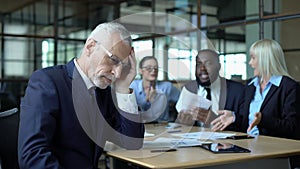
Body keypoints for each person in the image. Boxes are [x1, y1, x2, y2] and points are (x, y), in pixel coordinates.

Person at [18, 22, 145, 169]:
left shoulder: (103, 92)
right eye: (114, 60)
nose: (116, 73)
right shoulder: (48, 82)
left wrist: (123, 88)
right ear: (90, 47)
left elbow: (132, 142)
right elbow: (32, 155)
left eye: (123, 66)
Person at [211, 39, 300, 140]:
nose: (250, 63)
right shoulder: (251, 85)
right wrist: (235, 118)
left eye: (253, 58)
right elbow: (248, 124)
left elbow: (292, 128)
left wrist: (263, 120)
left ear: (265, 60)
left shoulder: (289, 87)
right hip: (249, 145)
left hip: (273, 149)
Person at [176, 49, 244, 130]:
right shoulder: (188, 89)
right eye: (198, 64)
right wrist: (184, 123)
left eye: (208, 63)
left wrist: (214, 120)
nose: (202, 68)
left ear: (219, 67)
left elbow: (245, 126)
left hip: (226, 142)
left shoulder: (238, 91)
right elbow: (179, 126)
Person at [130, 56, 180, 122]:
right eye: (149, 68)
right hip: (140, 126)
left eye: (156, 68)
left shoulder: (167, 87)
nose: (153, 71)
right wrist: (148, 102)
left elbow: (184, 101)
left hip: (162, 126)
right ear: (140, 70)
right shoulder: (133, 87)